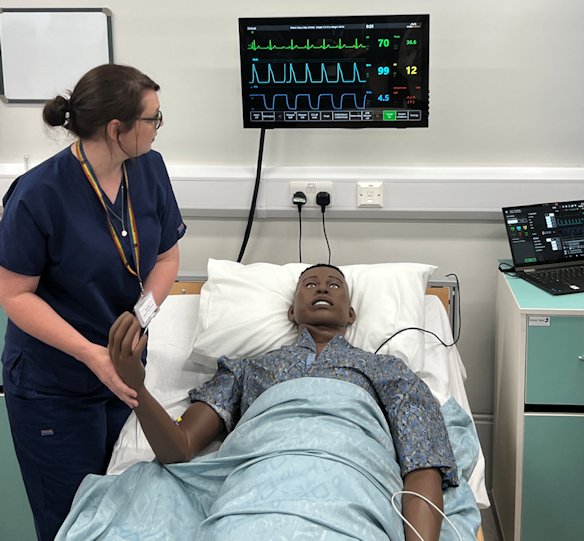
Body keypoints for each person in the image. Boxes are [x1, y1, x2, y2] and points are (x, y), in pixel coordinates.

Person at [109, 264, 459, 541]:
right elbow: (180, 447)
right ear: (291, 311)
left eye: (334, 284)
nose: (322, 287)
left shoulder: (389, 371)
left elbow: (422, 465)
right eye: (310, 284)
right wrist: (137, 389)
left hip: (351, 487)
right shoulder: (246, 368)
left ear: (351, 314)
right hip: (255, 493)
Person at [0, 64, 186, 540]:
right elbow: (14, 295)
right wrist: (91, 354)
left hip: (121, 375)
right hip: (54, 384)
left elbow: (167, 257)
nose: (159, 128)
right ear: (116, 129)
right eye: (153, 119)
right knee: (73, 523)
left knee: (120, 512)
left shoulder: (151, 170)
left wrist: (141, 316)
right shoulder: (38, 195)